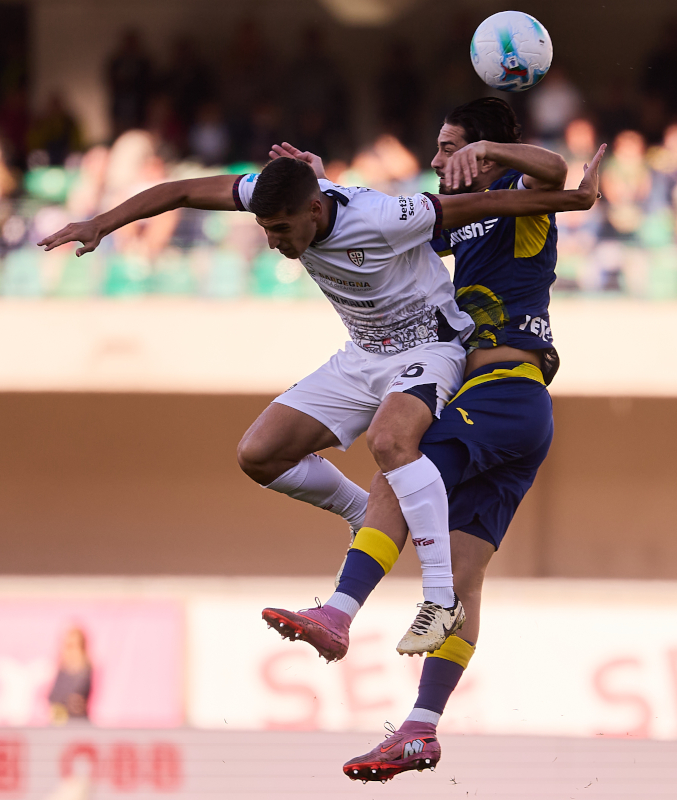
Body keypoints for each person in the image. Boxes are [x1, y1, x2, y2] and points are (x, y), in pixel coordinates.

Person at [38, 139, 604, 651]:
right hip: (361, 355)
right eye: (264, 227)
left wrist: (572, 203)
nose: (273, 240)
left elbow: (478, 207)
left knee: (391, 441)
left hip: (429, 349)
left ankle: (438, 598)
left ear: (314, 209)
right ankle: (367, 516)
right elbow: (182, 189)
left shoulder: (383, 216)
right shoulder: (277, 193)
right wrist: (101, 223)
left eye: (281, 230)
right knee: (259, 454)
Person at [262, 98, 584, 782]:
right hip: (518, 409)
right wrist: (319, 185)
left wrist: (494, 154)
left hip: (500, 394)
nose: (436, 161)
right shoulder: (459, 226)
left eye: (448, 148)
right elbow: (376, 225)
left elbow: (555, 168)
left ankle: (340, 613)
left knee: (394, 461)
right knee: (465, 576)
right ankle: (420, 730)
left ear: (482, 151)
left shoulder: (524, 204)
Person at [47, 627, 92, 724]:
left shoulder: (84, 672)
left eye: (72, 646)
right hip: (58, 724)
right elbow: (53, 698)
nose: (69, 651)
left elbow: (73, 698)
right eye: (66, 646)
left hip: (76, 724)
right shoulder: (61, 669)